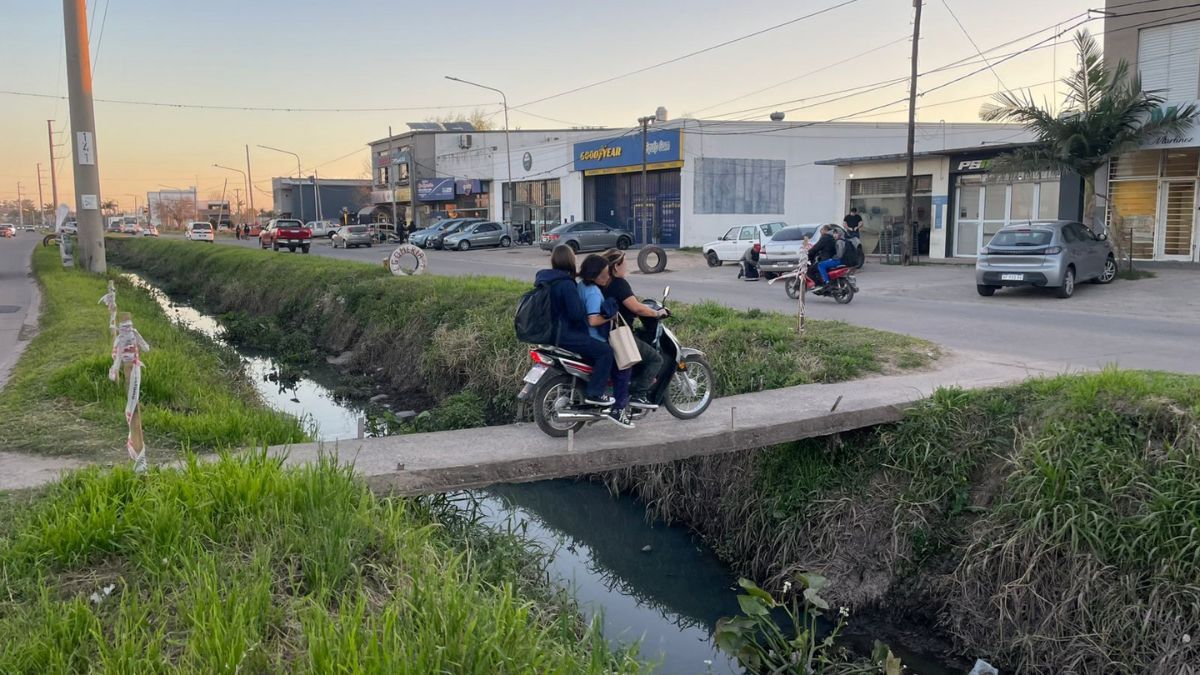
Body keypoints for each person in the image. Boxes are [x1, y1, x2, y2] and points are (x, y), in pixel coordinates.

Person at [533, 245, 618, 409]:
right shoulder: (566, 284)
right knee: (605, 352)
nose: (576, 258)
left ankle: (586, 385)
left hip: (550, 333)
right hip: (565, 334)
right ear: (569, 260)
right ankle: (595, 393)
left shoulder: (548, 280)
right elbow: (575, 314)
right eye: (574, 256)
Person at [600, 249, 666, 410]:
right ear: (616, 266)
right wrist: (657, 312)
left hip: (604, 333)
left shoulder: (603, 283)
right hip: (621, 336)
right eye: (625, 263)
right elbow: (637, 308)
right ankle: (639, 395)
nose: (627, 266)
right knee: (656, 359)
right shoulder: (619, 284)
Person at [578, 254, 635, 429]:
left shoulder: (581, 286)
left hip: (581, 335)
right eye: (604, 274)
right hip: (595, 337)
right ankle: (618, 409)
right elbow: (593, 320)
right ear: (595, 274)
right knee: (624, 366)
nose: (608, 276)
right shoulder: (594, 292)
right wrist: (610, 316)